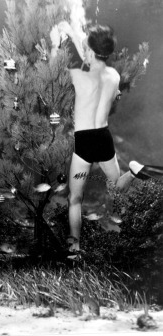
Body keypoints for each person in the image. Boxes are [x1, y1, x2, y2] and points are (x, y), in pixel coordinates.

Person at [50, 22, 149, 254]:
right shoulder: (114, 76)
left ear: (90, 50)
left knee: (75, 198)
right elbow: (95, 65)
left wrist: (57, 43)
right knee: (116, 188)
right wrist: (76, 35)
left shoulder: (77, 76)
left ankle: (74, 248)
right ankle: (133, 171)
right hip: (104, 139)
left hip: (84, 142)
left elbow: (53, 71)